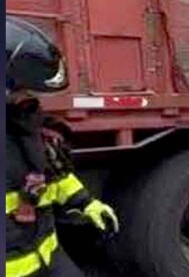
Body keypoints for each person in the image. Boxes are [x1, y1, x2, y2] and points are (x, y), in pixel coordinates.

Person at [6, 16, 119, 277]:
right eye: (25, 90)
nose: (32, 99)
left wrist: (86, 203)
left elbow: (49, 176)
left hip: (48, 256)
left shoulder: (24, 124)